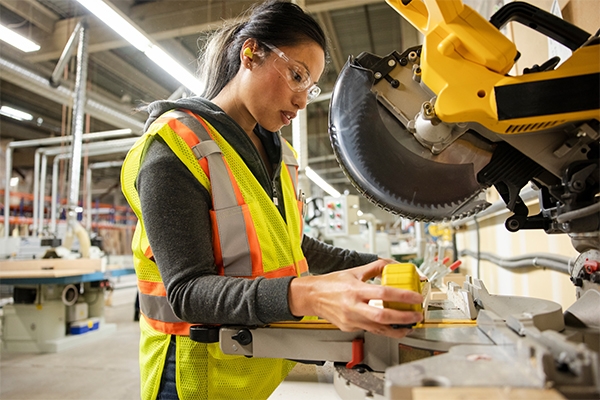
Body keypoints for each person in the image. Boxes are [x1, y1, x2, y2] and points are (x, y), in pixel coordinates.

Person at [121, 1, 423, 399]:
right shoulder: (176, 146)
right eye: (296, 75)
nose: (302, 100)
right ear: (251, 54)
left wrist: (374, 267)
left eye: (310, 87)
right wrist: (311, 294)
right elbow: (188, 293)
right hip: (196, 372)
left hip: (256, 364)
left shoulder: (276, 154)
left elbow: (289, 243)